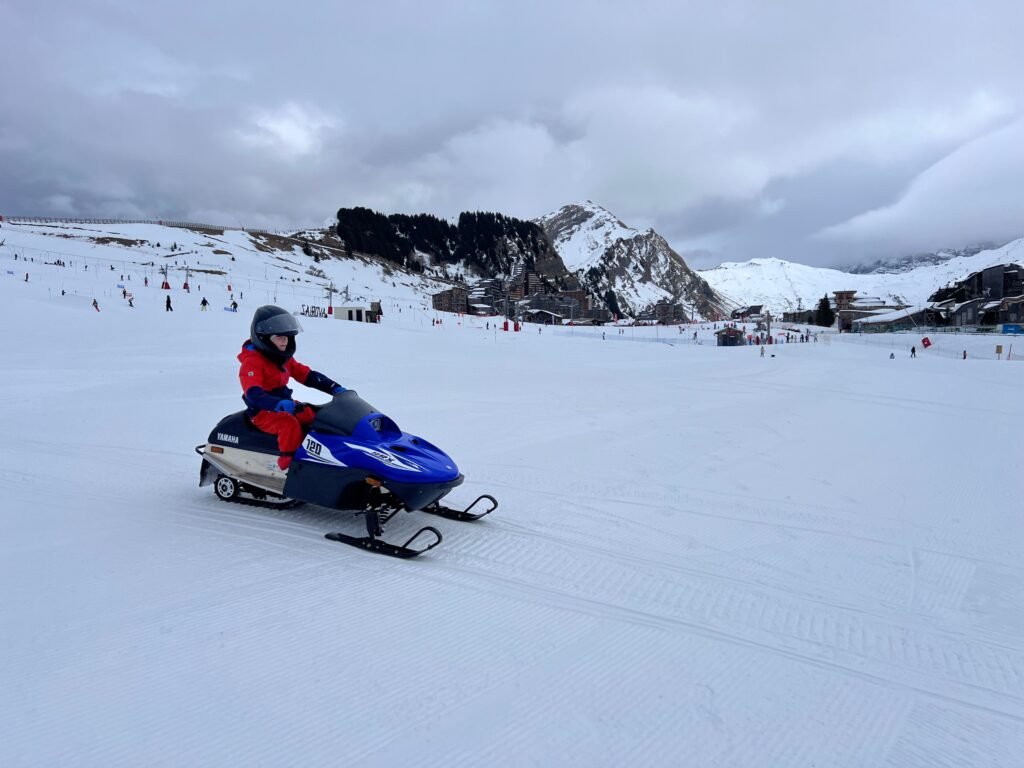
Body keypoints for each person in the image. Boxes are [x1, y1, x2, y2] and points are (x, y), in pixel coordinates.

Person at [238, 305, 346, 471]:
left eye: (287, 337)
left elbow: (307, 375)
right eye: (279, 337)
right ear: (263, 338)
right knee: (289, 424)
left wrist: (334, 388)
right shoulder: (252, 362)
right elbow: (253, 393)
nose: (285, 341)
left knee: (312, 415)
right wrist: (277, 404)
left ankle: (325, 456)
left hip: (284, 404)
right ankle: (289, 466)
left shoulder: (282, 358)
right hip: (262, 411)